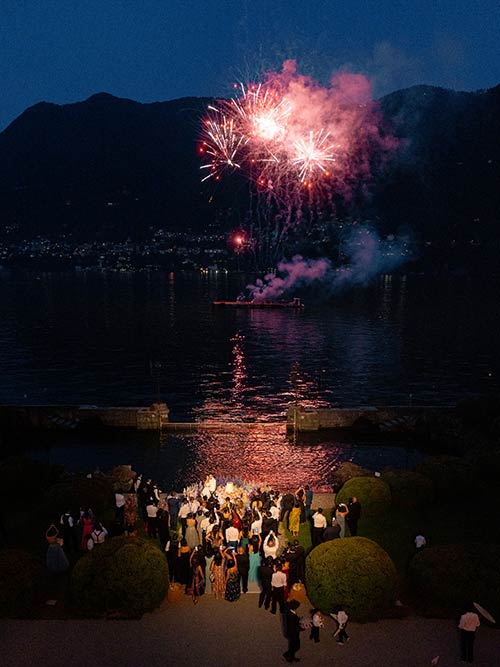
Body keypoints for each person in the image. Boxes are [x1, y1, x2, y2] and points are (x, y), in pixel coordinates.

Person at [283, 599, 302, 663]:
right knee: (295, 646)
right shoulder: (291, 616)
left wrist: (298, 619)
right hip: (293, 633)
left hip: (292, 632)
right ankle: (289, 655)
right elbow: (294, 626)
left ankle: (291, 656)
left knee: (293, 646)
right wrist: (302, 628)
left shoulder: (290, 612)